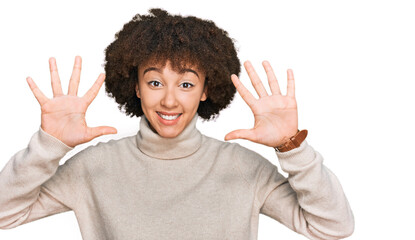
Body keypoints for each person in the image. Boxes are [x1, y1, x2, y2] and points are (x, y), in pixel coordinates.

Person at [0, 8, 354, 240]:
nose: (169, 100)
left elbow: (334, 226)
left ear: (205, 90)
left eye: (186, 84)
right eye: (155, 82)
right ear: (135, 86)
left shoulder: (242, 168)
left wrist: (292, 146)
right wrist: (48, 146)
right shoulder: (94, 168)